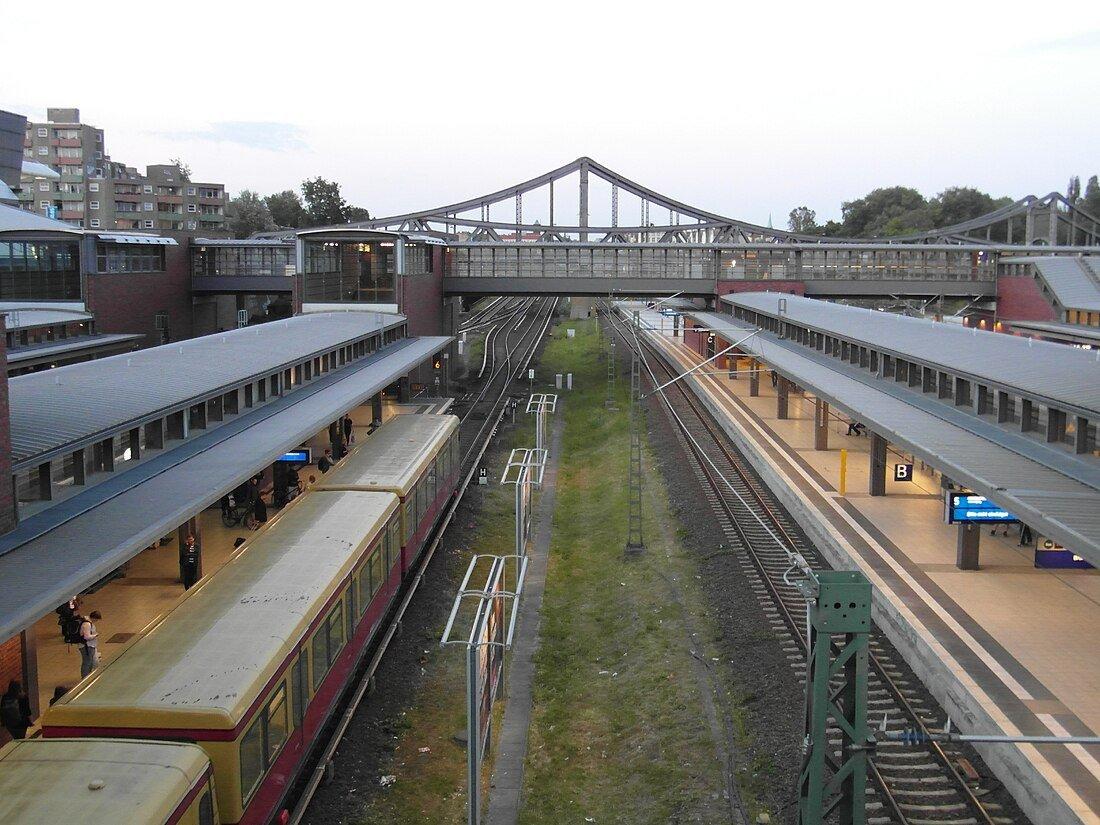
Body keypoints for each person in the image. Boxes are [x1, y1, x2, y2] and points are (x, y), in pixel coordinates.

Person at [79, 611, 102, 679]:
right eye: (96, 619)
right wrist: (95, 635)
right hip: (87, 646)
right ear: (94, 618)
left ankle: (89, 675)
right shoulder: (87, 624)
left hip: (89, 645)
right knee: (87, 662)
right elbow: (87, 637)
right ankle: (85, 677)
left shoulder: (87, 622)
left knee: (91, 661)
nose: (96, 621)